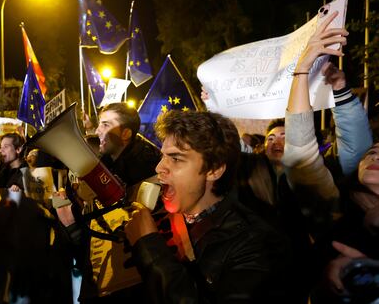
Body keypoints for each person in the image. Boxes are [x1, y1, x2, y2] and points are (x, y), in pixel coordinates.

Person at [124, 110, 296, 303]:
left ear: (214, 170)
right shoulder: (157, 216)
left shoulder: (259, 245)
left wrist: (149, 248)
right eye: (163, 156)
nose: (159, 168)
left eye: (176, 158)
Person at [56, 102, 161, 302]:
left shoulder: (147, 166)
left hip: (126, 281)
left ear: (125, 134)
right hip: (102, 272)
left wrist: (73, 225)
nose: (97, 130)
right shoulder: (106, 162)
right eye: (99, 124)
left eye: (106, 124)